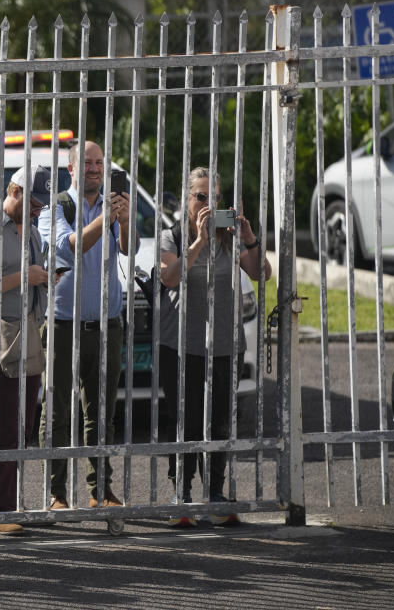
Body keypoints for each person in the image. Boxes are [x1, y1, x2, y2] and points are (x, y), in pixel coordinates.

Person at [157, 166, 271, 526]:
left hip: (225, 342)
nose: (207, 204)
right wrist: (198, 242)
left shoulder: (229, 235)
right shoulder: (171, 235)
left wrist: (250, 238)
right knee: (185, 420)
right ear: (187, 199)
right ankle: (182, 494)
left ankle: (216, 493)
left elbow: (260, 272)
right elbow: (169, 277)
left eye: (213, 197)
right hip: (182, 343)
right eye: (200, 197)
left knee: (221, 419)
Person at [37, 141, 138, 513]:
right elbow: (71, 246)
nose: (95, 169)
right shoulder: (56, 205)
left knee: (102, 413)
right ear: (72, 168)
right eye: (88, 163)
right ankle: (57, 493)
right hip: (63, 324)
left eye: (100, 163)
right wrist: (107, 218)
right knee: (59, 411)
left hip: (108, 324)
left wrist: (125, 221)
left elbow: (128, 248)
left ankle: (101, 490)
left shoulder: (112, 205)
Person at [0, 165, 59, 536]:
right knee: (4, 422)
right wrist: (26, 276)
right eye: (35, 203)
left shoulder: (33, 230)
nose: (39, 211)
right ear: (15, 191)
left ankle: (11, 501)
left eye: (42, 206)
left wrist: (46, 277)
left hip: (28, 330)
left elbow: (34, 278)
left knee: (23, 423)